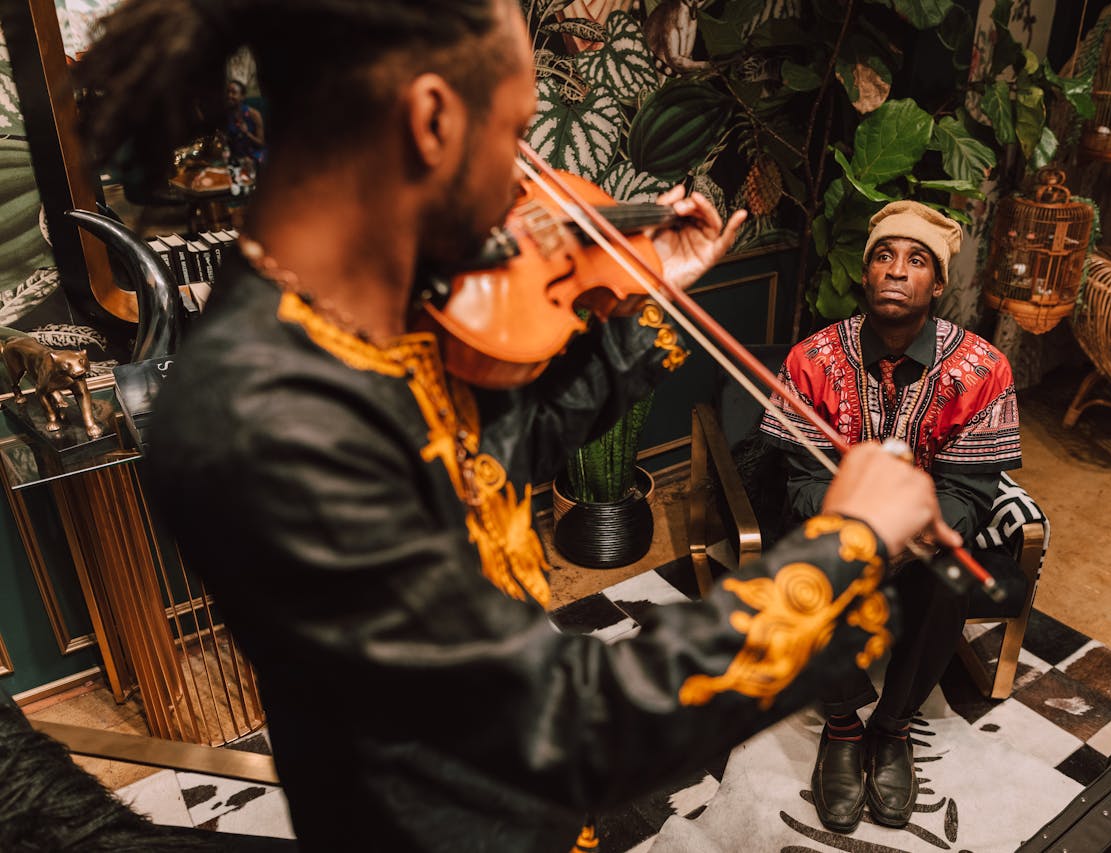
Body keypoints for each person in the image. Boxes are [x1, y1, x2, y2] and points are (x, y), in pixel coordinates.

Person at [76, 2, 959, 851]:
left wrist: (640, 300)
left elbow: (513, 450)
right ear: (431, 122)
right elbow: (567, 727)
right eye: (516, 133)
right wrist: (840, 547)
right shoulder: (264, 423)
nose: (530, 177)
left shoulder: (376, 305)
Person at [760, 200, 1022, 833]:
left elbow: (968, 489)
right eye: (884, 255)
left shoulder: (983, 370)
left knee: (950, 573)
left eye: (916, 260)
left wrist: (914, 533)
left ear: (937, 283)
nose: (897, 271)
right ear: (865, 273)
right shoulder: (813, 360)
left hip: (923, 536)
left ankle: (893, 729)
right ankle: (845, 727)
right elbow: (796, 481)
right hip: (839, 527)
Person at [225, 79, 265, 174]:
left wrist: (247, 133)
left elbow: (261, 144)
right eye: (228, 92)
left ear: (242, 96)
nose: (229, 95)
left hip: (254, 155)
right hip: (236, 156)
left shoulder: (254, 114)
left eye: (234, 93)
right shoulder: (227, 114)